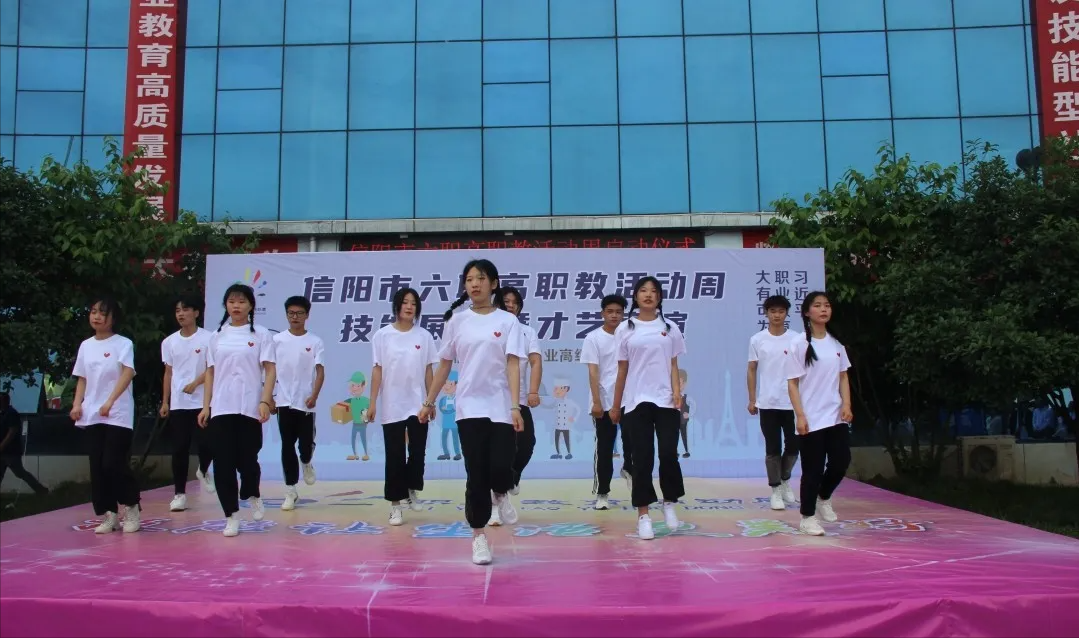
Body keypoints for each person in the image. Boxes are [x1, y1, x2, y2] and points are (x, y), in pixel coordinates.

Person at [420, 259, 526, 565]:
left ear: (494, 283)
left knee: (501, 465)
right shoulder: (456, 321)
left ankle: (501, 492)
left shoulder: (508, 322)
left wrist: (515, 406)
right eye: (469, 279)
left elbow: (513, 364)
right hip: (468, 406)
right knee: (476, 473)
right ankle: (478, 536)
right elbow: (444, 365)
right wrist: (428, 402)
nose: (475, 284)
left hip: (501, 405)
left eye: (480, 278)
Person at [198, 284, 276, 538]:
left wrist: (265, 401)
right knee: (223, 463)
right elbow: (210, 373)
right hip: (222, 407)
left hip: (249, 406)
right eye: (232, 301)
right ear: (226, 305)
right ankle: (231, 515)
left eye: (242, 301)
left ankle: (252, 493)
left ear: (251, 305)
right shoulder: (216, 336)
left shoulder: (261, 335)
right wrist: (206, 406)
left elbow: (270, 370)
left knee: (248, 459)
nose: (236, 306)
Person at [610, 277, 685, 540]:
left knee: (668, 453)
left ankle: (669, 502)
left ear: (660, 298)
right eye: (643, 291)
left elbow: (673, 364)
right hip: (635, 400)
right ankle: (643, 515)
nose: (648, 295)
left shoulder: (670, 328)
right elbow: (622, 369)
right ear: (635, 297)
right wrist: (616, 404)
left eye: (654, 291)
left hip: (665, 400)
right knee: (642, 458)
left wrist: (677, 393)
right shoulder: (625, 329)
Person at [70, 296, 141, 534]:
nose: (97, 317)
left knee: (113, 462)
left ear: (113, 318)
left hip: (117, 413)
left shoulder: (123, 344)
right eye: (93, 312)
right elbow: (82, 377)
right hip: (92, 413)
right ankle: (109, 514)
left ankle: (131, 506)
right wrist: (77, 404)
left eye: (102, 313)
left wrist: (110, 400)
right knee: (97, 466)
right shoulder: (86, 345)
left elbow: (128, 373)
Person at [368, 287, 439, 526]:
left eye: (414, 303)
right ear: (397, 306)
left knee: (417, 452)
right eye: (405, 302)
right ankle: (395, 505)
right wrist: (372, 402)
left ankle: (411, 488)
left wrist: (431, 401)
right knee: (395, 455)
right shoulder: (382, 336)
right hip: (392, 404)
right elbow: (377, 370)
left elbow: (429, 371)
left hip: (418, 404)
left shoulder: (424, 336)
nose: (409, 307)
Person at [785, 291, 853, 536]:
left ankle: (824, 496)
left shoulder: (836, 344)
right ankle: (808, 517)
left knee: (841, 461)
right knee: (812, 469)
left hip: (835, 415)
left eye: (827, 305)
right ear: (807, 312)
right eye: (817, 305)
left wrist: (847, 405)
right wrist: (800, 415)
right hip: (811, 417)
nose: (824, 309)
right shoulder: (799, 344)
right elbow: (792, 383)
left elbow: (843, 376)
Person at [160, 293, 214, 512]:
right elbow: (168, 372)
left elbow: (212, 368)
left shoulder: (209, 338)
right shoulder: (169, 342)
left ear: (196, 313)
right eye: (177, 310)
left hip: (203, 401)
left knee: (208, 444)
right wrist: (165, 401)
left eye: (185, 309)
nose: (181, 314)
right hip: (179, 403)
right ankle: (179, 494)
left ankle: (204, 469)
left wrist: (195, 383)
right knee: (180, 448)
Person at [747, 294, 800, 510]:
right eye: (773, 311)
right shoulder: (757, 339)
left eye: (781, 311)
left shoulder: (797, 339)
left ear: (787, 313)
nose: (777, 315)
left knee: (794, 445)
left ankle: (785, 479)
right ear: (766, 313)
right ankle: (775, 489)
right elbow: (752, 370)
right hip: (768, 402)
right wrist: (752, 399)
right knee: (773, 448)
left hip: (792, 402)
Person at [273, 295, 325, 511]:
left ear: (307, 315)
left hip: (305, 402)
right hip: (283, 400)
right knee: (287, 445)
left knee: (304, 445)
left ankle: (306, 461)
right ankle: (290, 490)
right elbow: (270, 371)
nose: (295, 317)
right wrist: (269, 397)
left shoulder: (315, 341)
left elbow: (320, 372)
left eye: (299, 313)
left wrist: (314, 395)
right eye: (291, 313)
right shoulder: (277, 341)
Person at [582, 293, 630, 511]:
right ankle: (602, 493)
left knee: (633, 444)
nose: (614, 316)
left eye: (618, 312)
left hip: (629, 400)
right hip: (603, 401)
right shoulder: (593, 338)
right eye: (610, 312)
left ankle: (629, 471)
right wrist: (596, 402)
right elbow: (593, 372)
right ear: (602, 313)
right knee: (604, 448)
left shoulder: (629, 337)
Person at [500, 286, 542, 505]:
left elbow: (535, 361)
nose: (510, 305)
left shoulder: (527, 332)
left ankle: (513, 475)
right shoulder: (490, 329)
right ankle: (496, 498)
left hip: (519, 399)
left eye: (514, 302)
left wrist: (533, 391)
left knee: (526, 443)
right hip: (494, 400)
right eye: (506, 301)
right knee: (498, 449)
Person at [0, 392, 48, 495]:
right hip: (4, 451)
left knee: (20, 473)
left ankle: (41, 490)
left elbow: (12, 432)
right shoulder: (2, 413)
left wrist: (1, 446)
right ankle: (41, 490)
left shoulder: (11, 413)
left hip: (11, 451)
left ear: (5, 401)